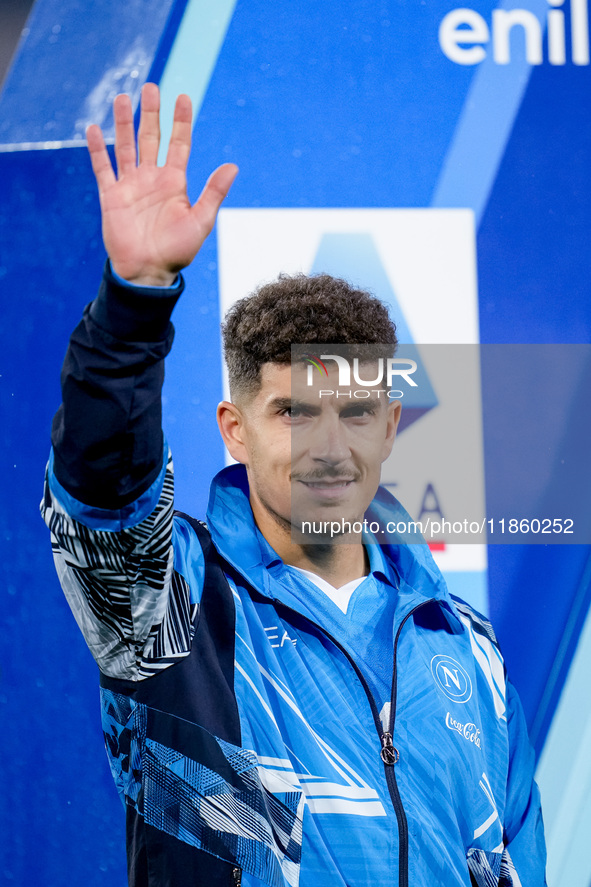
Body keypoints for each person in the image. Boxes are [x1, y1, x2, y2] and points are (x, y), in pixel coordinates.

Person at [41, 82, 546, 887]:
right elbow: (102, 488)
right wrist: (134, 304)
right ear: (233, 428)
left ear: (390, 426)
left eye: (354, 412)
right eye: (293, 412)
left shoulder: (466, 649)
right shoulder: (176, 606)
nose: (327, 447)